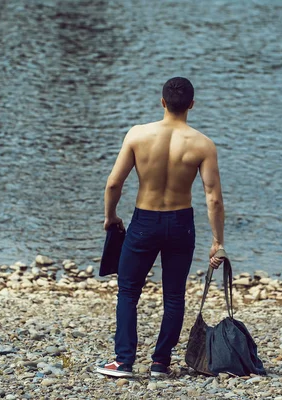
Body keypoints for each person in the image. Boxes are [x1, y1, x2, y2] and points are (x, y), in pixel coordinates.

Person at [95, 77, 225, 378]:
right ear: (191, 104)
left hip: (145, 221)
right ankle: (160, 364)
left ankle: (123, 362)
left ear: (162, 102)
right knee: (174, 296)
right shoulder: (203, 144)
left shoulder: (138, 135)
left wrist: (110, 216)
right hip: (181, 223)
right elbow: (213, 198)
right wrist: (218, 241)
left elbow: (114, 182)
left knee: (128, 292)